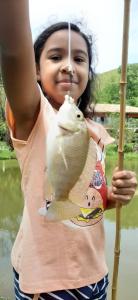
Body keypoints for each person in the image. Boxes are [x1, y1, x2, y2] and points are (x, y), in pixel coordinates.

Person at [0, 1, 137, 300]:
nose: (68, 66)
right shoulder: (33, 116)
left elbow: (89, 204)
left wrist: (115, 195)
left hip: (95, 274)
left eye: (79, 58)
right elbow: (11, 52)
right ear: (35, 69)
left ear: (89, 71)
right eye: (55, 56)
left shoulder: (94, 131)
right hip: (46, 283)